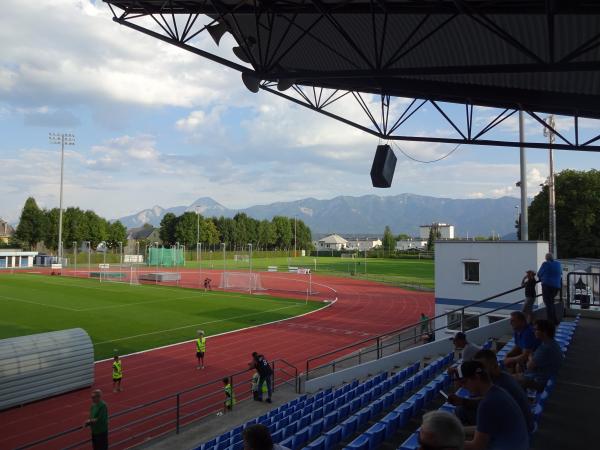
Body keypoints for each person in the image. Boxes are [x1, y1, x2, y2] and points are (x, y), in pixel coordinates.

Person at [457, 361, 529, 450]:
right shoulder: (498, 392)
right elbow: (483, 429)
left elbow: (477, 446)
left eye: (464, 382)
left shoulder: (487, 404)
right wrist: (458, 430)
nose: (462, 386)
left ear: (477, 377)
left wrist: (446, 442)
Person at [473, 349, 534, 433]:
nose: (478, 373)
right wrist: (464, 401)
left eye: (482, 369)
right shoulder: (504, 377)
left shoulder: (499, 387)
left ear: (494, 366)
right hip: (523, 425)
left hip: (518, 431)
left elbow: (490, 423)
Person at [516, 319, 564, 392]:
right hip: (546, 376)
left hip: (541, 381)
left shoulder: (545, 348)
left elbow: (529, 366)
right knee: (518, 366)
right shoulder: (551, 343)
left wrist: (530, 356)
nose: (533, 331)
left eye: (536, 329)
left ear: (544, 332)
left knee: (510, 379)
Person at [537, 253, 562, 324]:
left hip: (547, 285)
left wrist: (542, 278)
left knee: (548, 303)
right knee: (551, 303)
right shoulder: (558, 264)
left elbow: (539, 274)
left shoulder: (545, 264)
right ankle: (555, 320)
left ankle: (550, 321)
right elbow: (560, 272)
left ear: (546, 258)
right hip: (556, 286)